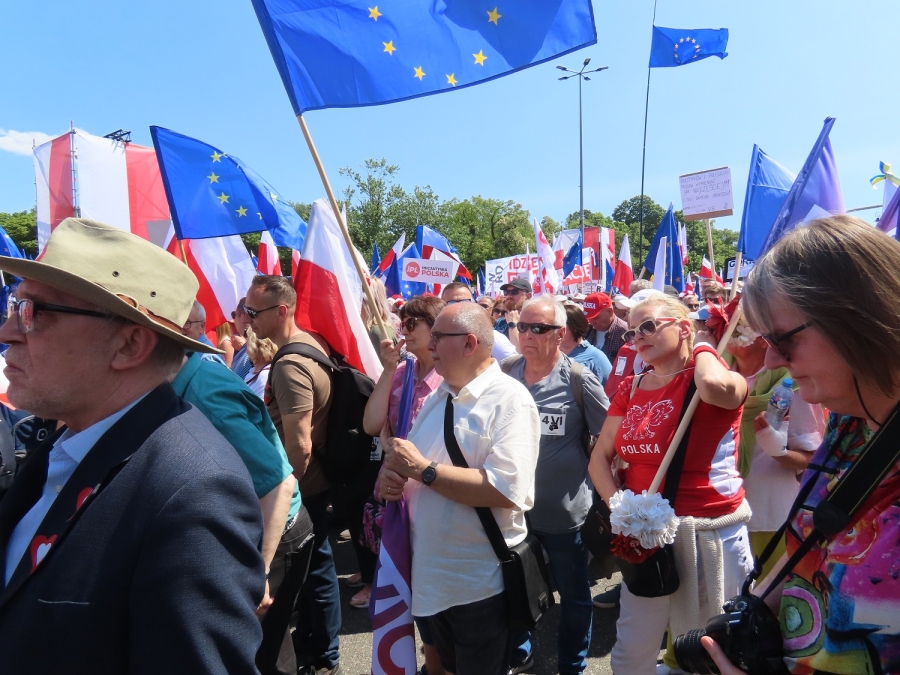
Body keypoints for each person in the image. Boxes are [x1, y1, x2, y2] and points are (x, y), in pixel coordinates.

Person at [0, 217, 265, 673]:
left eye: (34, 312)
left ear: (129, 345)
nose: (7, 332)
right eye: (13, 307)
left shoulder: (194, 493)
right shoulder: (67, 443)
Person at [702, 216, 900, 675]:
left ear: (858, 318)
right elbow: (813, 546)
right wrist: (755, 612)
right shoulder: (852, 421)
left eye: (782, 340)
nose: (772, 359)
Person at [588, 293, 752, 674]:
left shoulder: (717, 376)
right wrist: (622, 510)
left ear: (683, 328)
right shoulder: (630, 387)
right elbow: (599, 459)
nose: (637, 337)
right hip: (645, 540)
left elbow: (711, 385)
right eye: (631, 332)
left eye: (648, 326)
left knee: (711, 653)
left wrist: (704, 346)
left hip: (708, 533)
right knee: (631, 654)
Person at [379, 303, 540, 675]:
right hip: (431, 576)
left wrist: (423, 470)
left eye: (438, 337)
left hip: (478, 585)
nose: (428, 345)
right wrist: (393, 479)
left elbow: (506, 490)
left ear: (469, 343)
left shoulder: (510, 400)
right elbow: (413, 465)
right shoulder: (441, 393)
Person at [170, 345, 310, 675]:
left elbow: (279, 484)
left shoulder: (205, 400)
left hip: (274, 532)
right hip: (261, 527)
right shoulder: (200, 373)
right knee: (270, 648)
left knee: (258, 654)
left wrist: (257, 573)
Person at [503, 296, 609, 675]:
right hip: (513, 511)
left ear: (560, 334)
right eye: (522, 326)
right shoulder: (505, 372)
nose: (527, 335)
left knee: (574, 595)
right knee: (515, 586)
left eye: (538, 328)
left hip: (565, 516)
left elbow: (609, 439)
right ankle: (520, 652)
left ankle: (572, 665)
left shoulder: (580, 380)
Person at [245, 275, 341, 675]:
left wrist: (288, 492)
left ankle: (325, 655)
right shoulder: (310, 345)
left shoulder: (289, 366)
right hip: (313, 481)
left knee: (316, 571)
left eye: (253, 311)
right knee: (317, 567)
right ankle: (319, 646)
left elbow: (299, 444)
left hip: (305, 485)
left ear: (281, 311)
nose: (247, 319)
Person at [362, 294, 447, 675]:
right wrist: (387, 369)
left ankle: (436, 663)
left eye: (412, 324)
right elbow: (371, 424)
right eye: (402, 323)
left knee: (430, 593)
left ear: (435, 329)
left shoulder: (448, 379)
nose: (403, 330)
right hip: (396, 495)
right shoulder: (401, 374)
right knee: (405, 586)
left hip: (430, 494)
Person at [722, 313, 823, 580]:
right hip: (718, 513)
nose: (727, 329)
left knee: (764, 597)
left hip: (768, 515)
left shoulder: (792, 384)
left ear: (764, 338)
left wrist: (779, 452)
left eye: (739, 325)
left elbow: (812, 457)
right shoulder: (715, 376)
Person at [440, 283, 516, 361]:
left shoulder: (492, 337)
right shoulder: (435, 337)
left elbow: (514, 364)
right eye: (452, 303)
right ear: (443, 306)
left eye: (465, 301)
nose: (459, 306)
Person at [560, 302, 612, 385]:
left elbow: (610, 389)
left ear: (575, 328)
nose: (553, 331)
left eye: (559, 327)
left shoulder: (596, 358)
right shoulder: (547, 354)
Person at [584, 292, 628, 364]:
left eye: (595, 317)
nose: (591, 322)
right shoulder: (585, 330)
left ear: (610, 312)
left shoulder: (625, 333)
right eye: (588, 317)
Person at [183, 300, 227, 366]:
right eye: (180, 322)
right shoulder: (191, 352)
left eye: (187, 322)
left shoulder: (207, 359)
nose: (181, 327)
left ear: (202, 326)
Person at [231, 298, 254, 379]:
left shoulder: (252, 352)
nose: (233, 320)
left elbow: (236, 380)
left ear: (243, 317)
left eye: (234, 315)